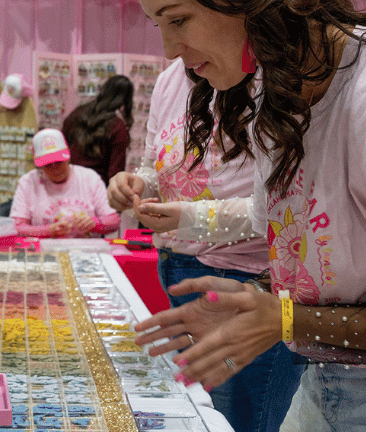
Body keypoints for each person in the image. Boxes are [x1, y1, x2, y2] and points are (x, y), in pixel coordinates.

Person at [126, 0, 366, 430]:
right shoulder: (274, 91)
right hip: (323, 387)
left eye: (179, 20)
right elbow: (310, 249)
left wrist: (285, 319)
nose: (171, 50)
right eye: (159, 24)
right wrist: (254, 301)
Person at [107, 62, 304, 432]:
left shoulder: (271, 78)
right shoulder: (171, 78)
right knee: (199, 414)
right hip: (180, 266)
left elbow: (281, 209)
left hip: (247, 280)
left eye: (180, 19)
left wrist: (190, 217)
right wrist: (138, 184)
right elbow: (159, 165)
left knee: (237, 419)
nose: (171, 47)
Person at [10, 128, 120, 238]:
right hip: (46, 250)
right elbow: (16, 227)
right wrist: (48, 230)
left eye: (58, 162)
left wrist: (94, 223)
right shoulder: (28, 181)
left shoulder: (89, 178)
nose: (54, 168)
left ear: (68, 157)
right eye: (47, 164)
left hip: (87, 249)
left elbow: (114, 221)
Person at [62, 74, 134, 185]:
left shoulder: (79, 113)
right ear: (127, 100)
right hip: (97, 188)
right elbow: (115, 173)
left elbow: (62, 146)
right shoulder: (118, 127)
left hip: (70, 182)